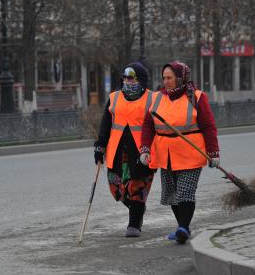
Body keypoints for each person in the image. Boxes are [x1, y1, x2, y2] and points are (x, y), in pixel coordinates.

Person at [139, 60, 219, 244]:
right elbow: (147, 126)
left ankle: (183, 227)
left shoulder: (197, 97)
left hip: (190, 153)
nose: (165, 81)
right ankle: (183, 227)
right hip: (165, 154)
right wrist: (144, 149)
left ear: (180, 78)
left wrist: (214, 152)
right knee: (172, 194)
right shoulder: (157, 97)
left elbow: (208, 126)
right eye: (164, 78)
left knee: (185, 192)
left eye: (170, 78)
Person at [93, 62, 156, 237]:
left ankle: (134, 224)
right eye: (125, 77)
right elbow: (106, 124)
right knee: (117, 189)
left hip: (142, 152)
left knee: (137, 188)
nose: (127, 81)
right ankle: (138, 209)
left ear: (141, 80)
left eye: (131, 77)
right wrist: (100, 145)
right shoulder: (114, 97)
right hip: (117, 151)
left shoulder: (152, 98)